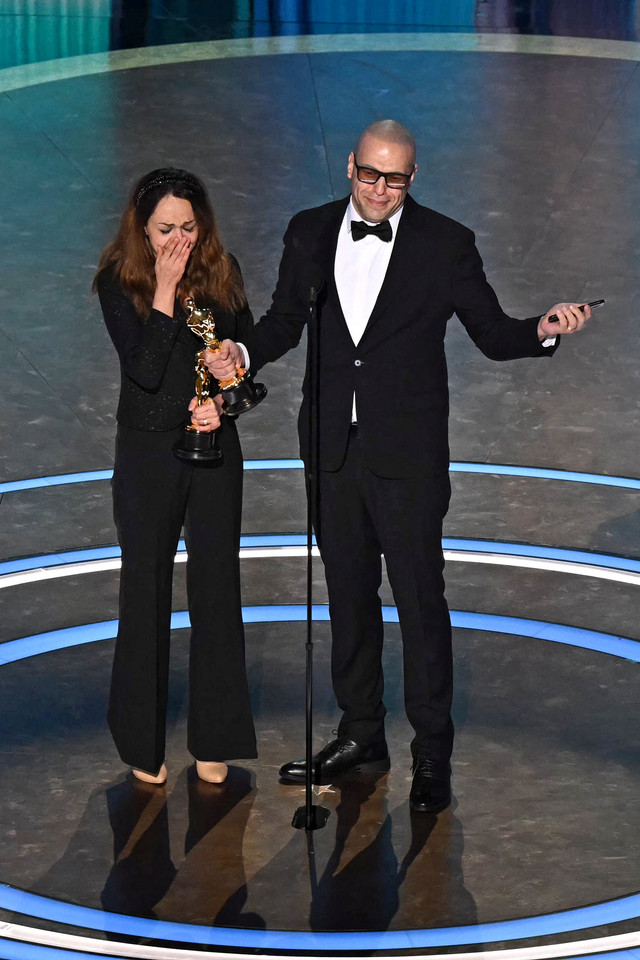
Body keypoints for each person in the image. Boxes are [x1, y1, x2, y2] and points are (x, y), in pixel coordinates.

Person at [205, 120, 590, 813]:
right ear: (351, 166)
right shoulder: (309, 231)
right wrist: (242, 353)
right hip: (331, 453)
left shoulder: (446, 245)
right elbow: (284, 321)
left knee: (419, 604)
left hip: (407, 458)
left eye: (396, 179)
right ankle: (361, 736)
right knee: (349, 599)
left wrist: (543, 329)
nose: (380, 191)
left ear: (414, 178)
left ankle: (432, 755)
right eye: (369, 175)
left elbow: (492, 332)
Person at [94, 167, 257, 785]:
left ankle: (214, 739)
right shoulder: (119, 279)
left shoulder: (223, 272)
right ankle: (143, 744)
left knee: (217, 591)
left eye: (189, 227)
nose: (179, 241)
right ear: (143, 228)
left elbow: (246, 366)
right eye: (166, 229)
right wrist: (162, 291)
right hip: (146, 456)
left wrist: (227, 386)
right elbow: (143, 368)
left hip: (214, 450)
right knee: (146, 593)